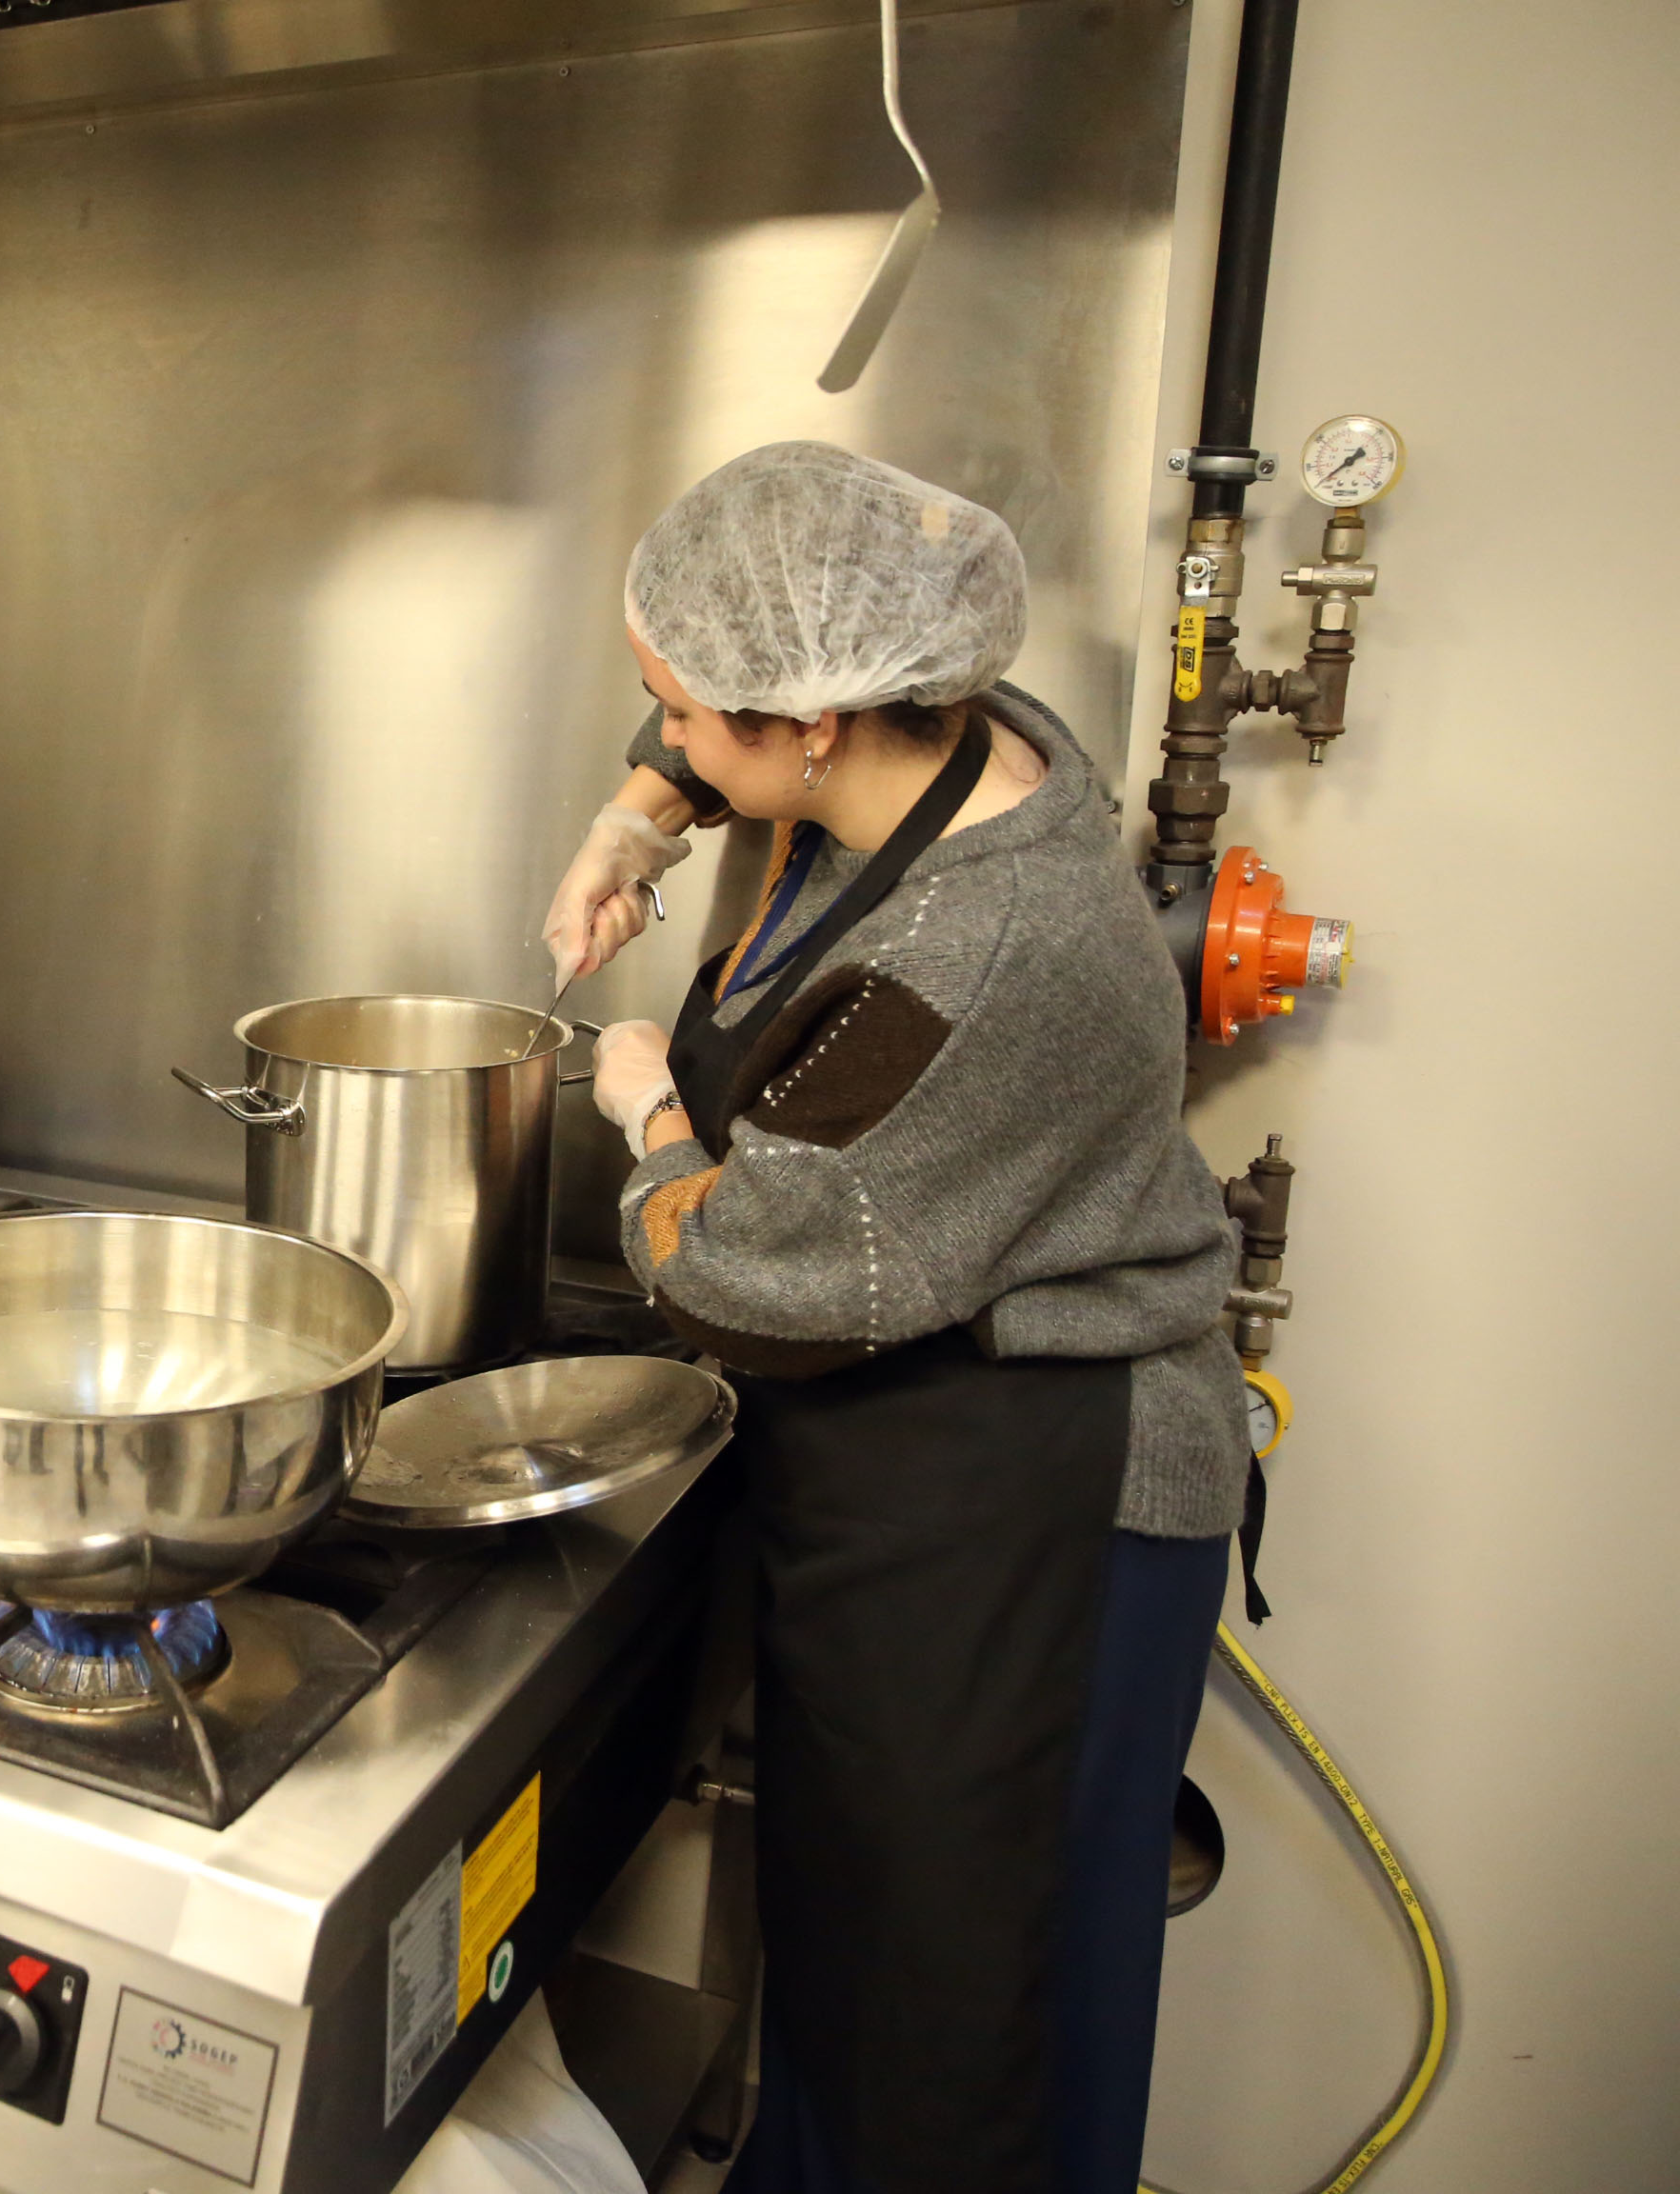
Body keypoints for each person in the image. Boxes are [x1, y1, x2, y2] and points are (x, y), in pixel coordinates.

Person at [539, 443, 1242, 2194]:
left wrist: (645, 1105)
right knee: (865, 1953)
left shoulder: (986, 955)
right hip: (922, 1451)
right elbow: (716, 720)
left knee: (964, 2011)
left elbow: (751, 1267)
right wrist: (632, 819)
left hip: (1033, 1491)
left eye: (684, 719)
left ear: (816, 731)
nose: (671, 738)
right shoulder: (953, 723)